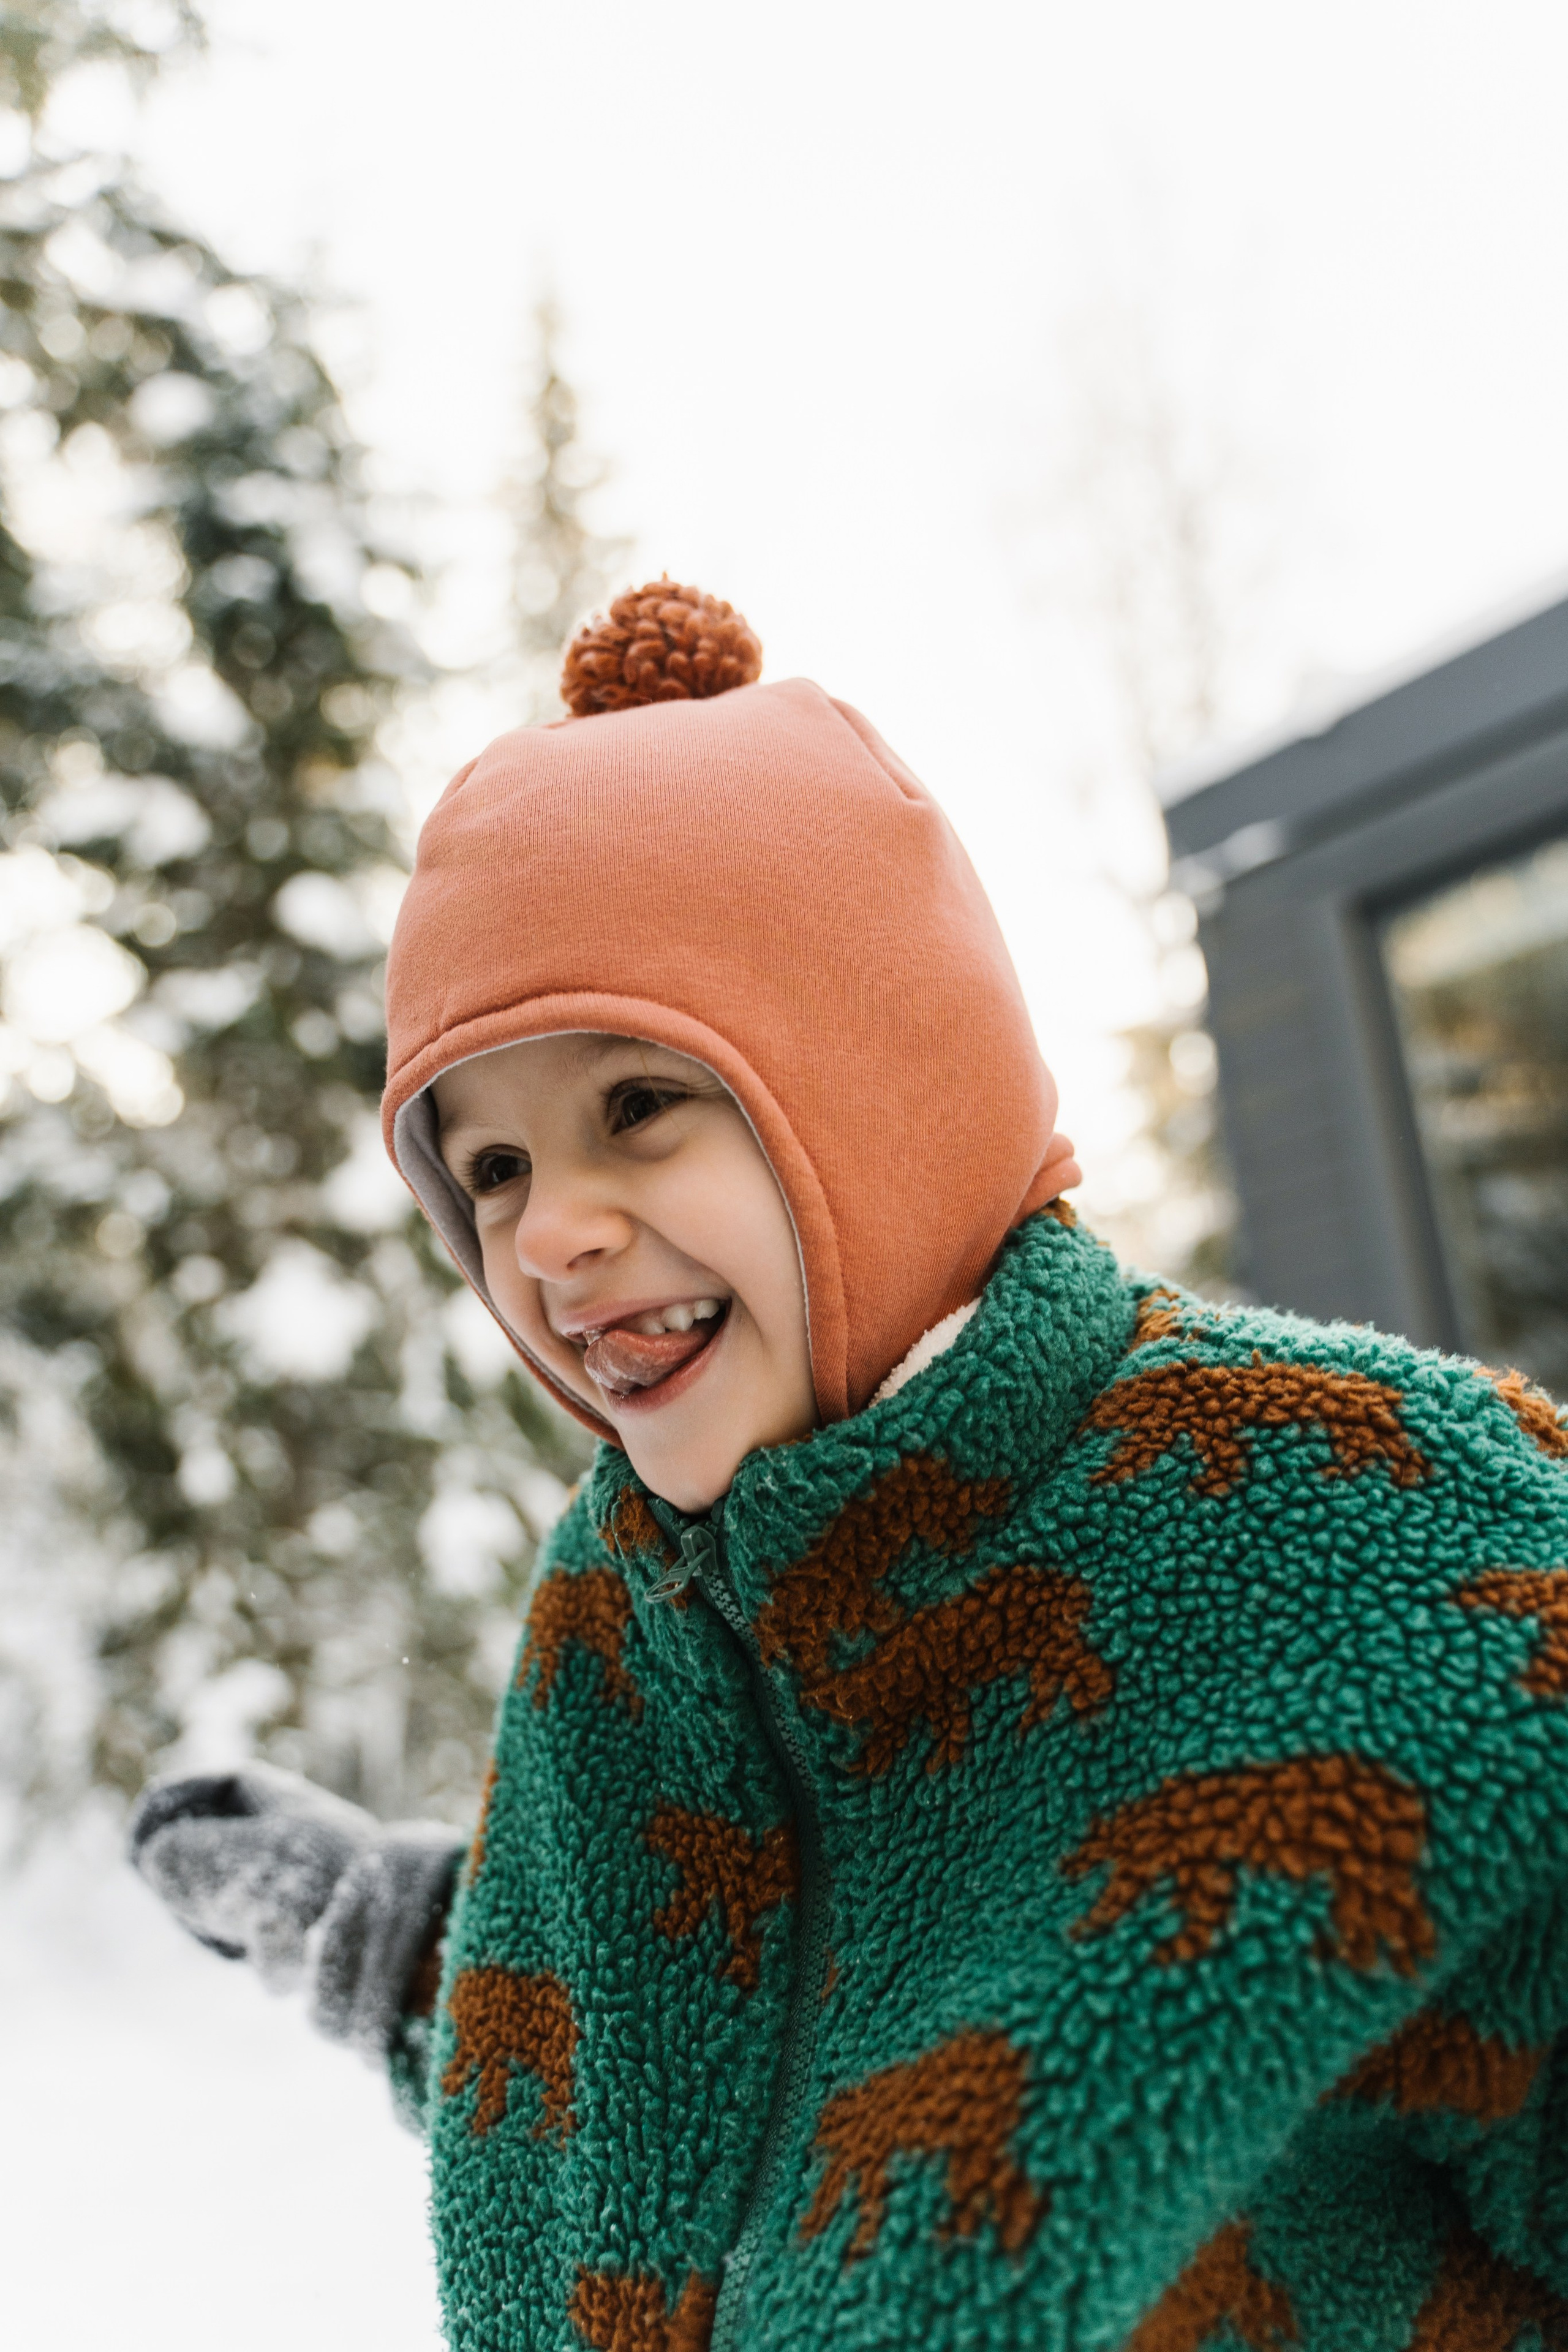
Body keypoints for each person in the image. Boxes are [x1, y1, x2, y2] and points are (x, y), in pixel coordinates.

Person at [131, 581, 1568, 2352]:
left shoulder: (1388, 1540)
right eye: (491, 1171)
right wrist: (426, 1957)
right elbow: (702, 2092)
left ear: (882, 1096)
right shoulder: (624, 1616)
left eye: (639, 1105)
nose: (550, 1233)